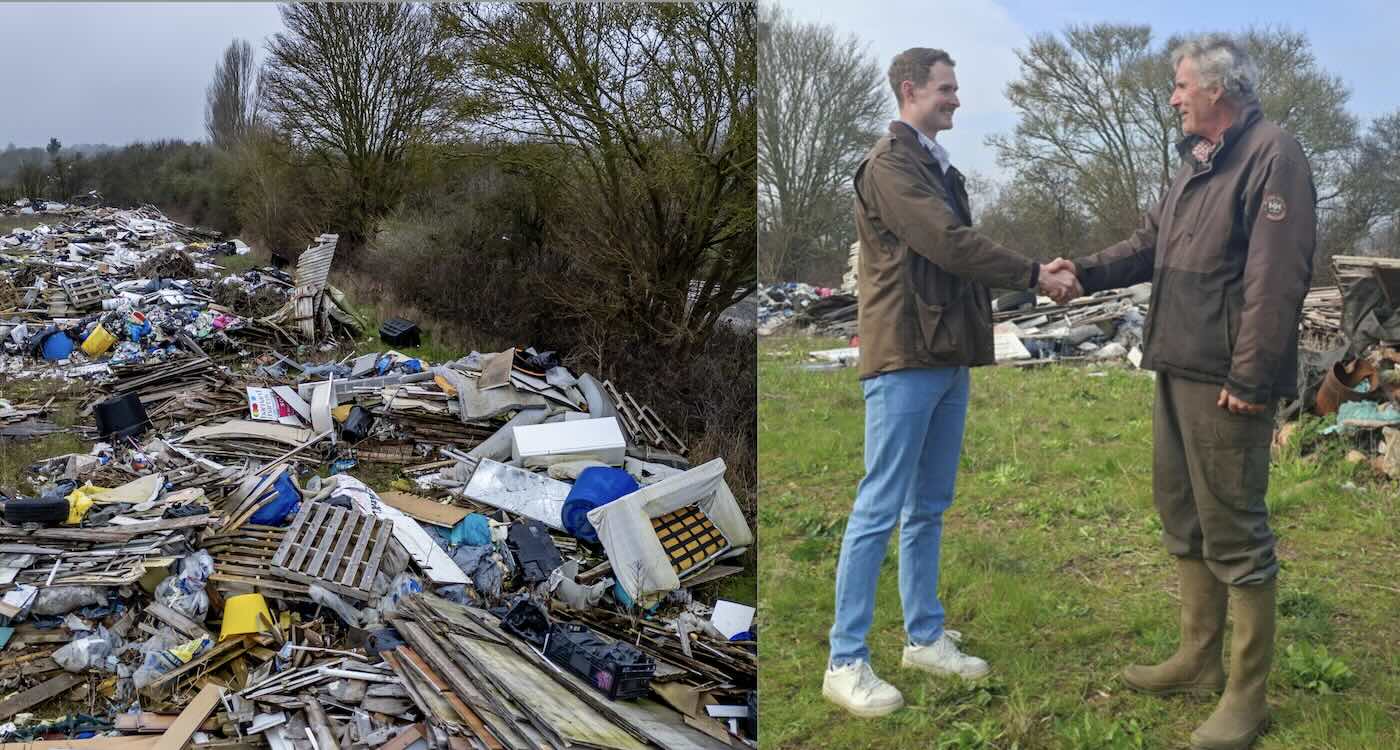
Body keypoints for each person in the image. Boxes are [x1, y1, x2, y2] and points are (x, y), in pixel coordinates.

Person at [1045, 34, 1315, 750]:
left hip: (1227, 377)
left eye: (1180, 86)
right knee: (1184, 514)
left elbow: (1276, 279)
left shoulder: (1272, 154)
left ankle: (1246, 696)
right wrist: (1082, 270)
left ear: (1218, 90)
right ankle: (1197, 658)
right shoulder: (1197, 164)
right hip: (1176, 363)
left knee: (1236, 529)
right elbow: (1147, 243)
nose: (1173, 97)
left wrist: (1252, 377)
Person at [822, 47, 1078, 718]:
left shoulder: (938, 166)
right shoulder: (890, 167)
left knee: (928, 505)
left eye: (957, 88)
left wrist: (1028, 274)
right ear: (910, 90)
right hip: (906, 354)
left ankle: (924, 638)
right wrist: (1033, 273)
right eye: (946, 88)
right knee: (879, 507)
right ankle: (845, 660)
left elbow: (956, 248)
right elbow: (949, 244)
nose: (956, 98)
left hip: (944, 353)